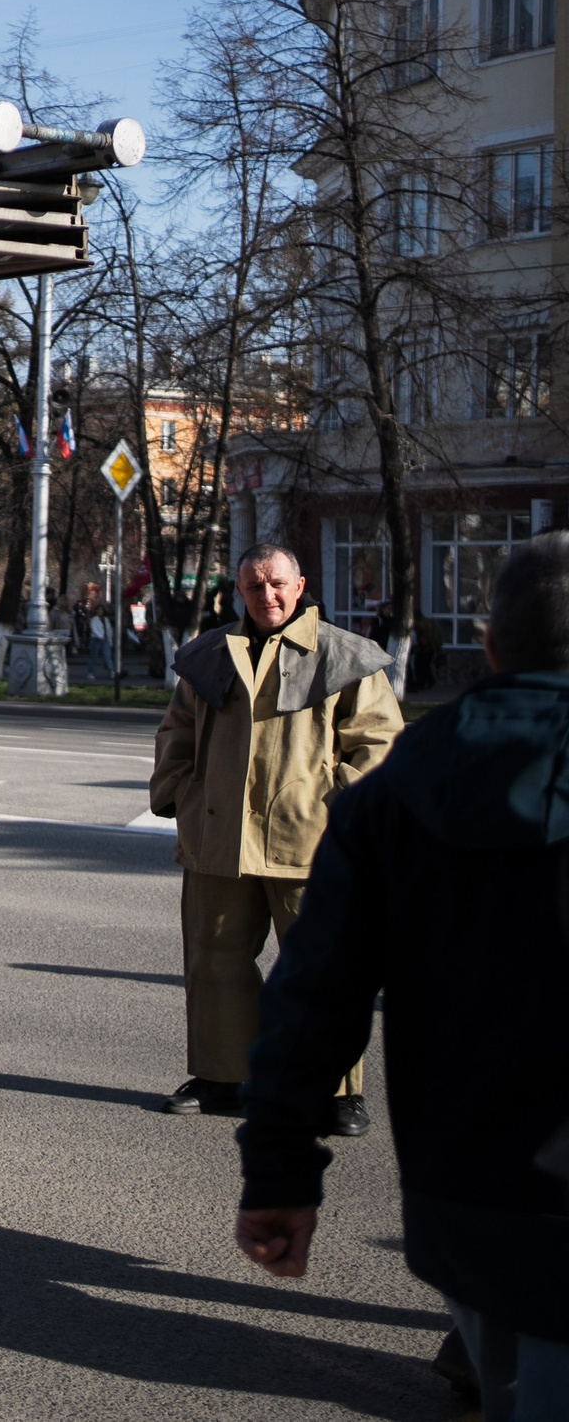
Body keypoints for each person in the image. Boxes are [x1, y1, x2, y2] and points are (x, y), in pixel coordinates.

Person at [234, 533, 569, 1416]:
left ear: (489, 645)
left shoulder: (398, 788)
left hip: (467, 1193)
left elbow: (314, 995)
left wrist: (280, 1173)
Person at [149, 544, 401, 1133]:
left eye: (278, 583)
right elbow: (177, 730)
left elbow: (380, 746)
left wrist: (335, 807)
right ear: (239, 591)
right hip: (218, 839)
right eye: (255, 585)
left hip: (312, 844)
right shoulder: (209, 654)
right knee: (214, 960)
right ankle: (222, 1077)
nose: (267, 595)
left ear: (300, 585)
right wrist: (182, 793)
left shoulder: (344, 656)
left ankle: (337, 1093)